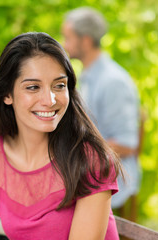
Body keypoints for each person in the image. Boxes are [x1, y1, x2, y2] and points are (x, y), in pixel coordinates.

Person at [0, 32, 124, 240]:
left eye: (59, 85)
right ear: (7, 95)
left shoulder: (90, 160)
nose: (50, 99)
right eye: (33, 87)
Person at [62, 7, 141, 210]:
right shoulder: (88, 78)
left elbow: (126, 144)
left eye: (68, 38)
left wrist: (72, 154)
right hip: (88, 176)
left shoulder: (112, 81)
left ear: (86, 40)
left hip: (111, 185)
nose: (64, 44)